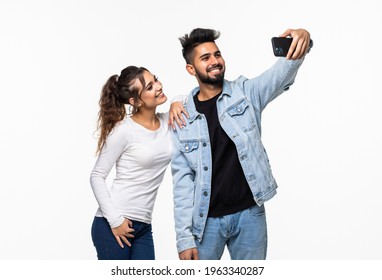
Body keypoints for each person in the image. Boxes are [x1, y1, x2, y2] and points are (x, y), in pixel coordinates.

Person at [171, 28, 312, 260]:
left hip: (249, 216)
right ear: (191, 68)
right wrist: (184, 238)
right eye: (205, 58)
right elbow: (182, 183)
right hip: (205, 223)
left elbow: (282, 72)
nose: (215, 61)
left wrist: (303, 37)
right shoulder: (182, 118)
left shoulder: (246, 93)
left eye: (217, 55)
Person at [90, 65, 187, 260]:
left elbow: (195, 96)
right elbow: (96, 176)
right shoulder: (124, 130)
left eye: (156, 80)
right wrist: (115, 221)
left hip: (143, 225)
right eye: (149, 87)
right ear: (135, 101)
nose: (158, 87)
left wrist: (176, 101)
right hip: (113, 223)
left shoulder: (169, 120)